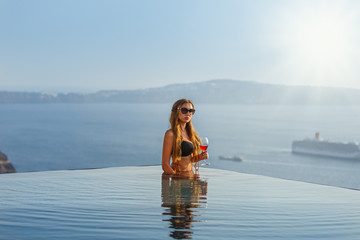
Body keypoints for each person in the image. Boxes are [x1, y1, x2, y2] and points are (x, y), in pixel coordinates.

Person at [162, 99, 209, 176]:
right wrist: (177, 178)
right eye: (184, 110)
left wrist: (200, 157)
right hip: (179, 180)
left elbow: (189, 160)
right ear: (176, 112)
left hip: (190, 176)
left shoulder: (191, 134)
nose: (188, 113)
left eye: (191, 111)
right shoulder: (170, 134)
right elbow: (165, 165)